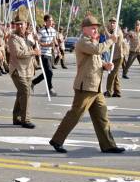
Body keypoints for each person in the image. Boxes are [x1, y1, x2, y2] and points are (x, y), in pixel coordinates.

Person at [49, 15, 124, 154]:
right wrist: (111, 41)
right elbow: (97, 50)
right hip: (86, 87)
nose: (96, 30)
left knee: (102, 117)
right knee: (75, 115)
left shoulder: (92, 42)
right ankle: (57, 140)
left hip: (96, 87)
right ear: (84, 29)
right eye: (93, 28)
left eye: (97, 28)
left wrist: (105, 65)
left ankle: (108, 145)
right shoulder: (83, 42)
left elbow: (95, 59)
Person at [7, 18, 39, 129]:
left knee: (21, 93)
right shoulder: (13, 38)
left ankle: (16, 118)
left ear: (26, 25)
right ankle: (26, 119)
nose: (20, 26)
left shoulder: (29, 37)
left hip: (28, 70)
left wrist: (35, 41)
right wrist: (33, 52)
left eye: (22, 24)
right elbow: (18, 53)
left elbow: (34, 47)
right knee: (25, 91)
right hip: (17, 70)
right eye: (17, 24)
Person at [34, 15, 58, 95]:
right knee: (50, 72)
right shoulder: (42, 31)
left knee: (46, 73)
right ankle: (50, 89)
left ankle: (33, 82)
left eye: (52, 20)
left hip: (50, 54)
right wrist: (37, 38)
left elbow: (54, 41)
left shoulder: (54, 31)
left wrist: (58, 50)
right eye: (49, 20)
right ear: (46, 21)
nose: (51, 22)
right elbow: (38, 42)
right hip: (43, 54)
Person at [104, 18, 127, 97]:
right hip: (113, 56)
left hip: (118, 57)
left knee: (111, 74)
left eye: (114, 23)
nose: (112, 24)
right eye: (111, 23)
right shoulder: (112, 30)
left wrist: (106, 30)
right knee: (115, 75)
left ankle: (109, 91)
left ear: (116, 24)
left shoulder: (117, 31)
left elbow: (113, 38)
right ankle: (117, 92)